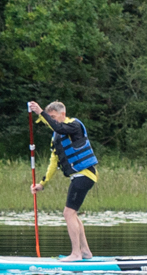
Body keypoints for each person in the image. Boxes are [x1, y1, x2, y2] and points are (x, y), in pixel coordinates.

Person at [33, 100, 102, 260]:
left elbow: (58, 126)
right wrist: (42, 184)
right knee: (72, 214)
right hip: (78, 177)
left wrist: (40, 113)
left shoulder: (73, 125)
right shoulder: (57, 136)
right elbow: (53, 162)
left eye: (53, 116)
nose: (52, 120)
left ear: (62, 114)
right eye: (50, 117)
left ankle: (76, 253)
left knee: (68, 213)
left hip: (85, 175)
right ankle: (85, 252)